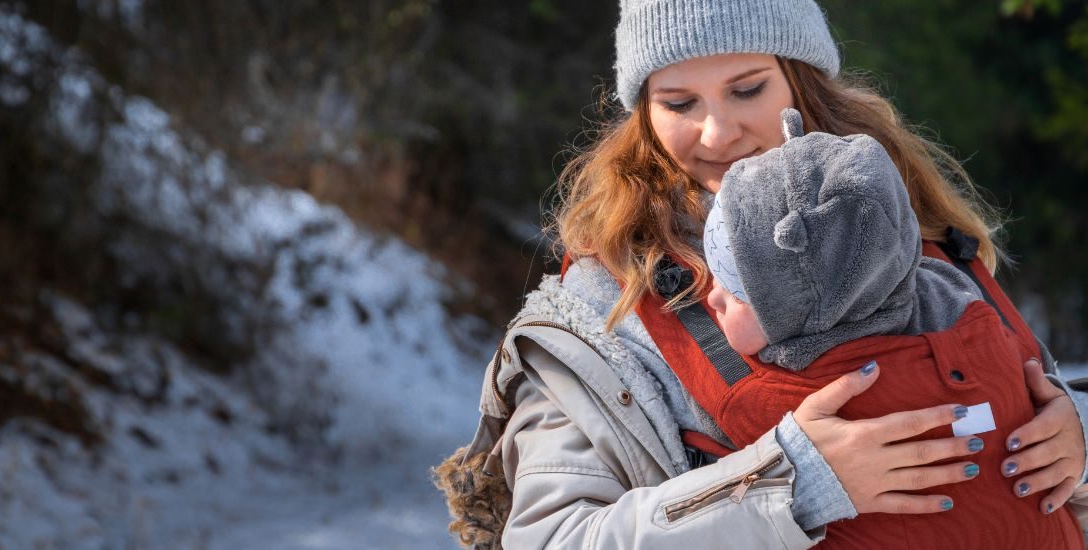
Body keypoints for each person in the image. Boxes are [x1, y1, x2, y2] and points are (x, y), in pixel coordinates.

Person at [434, 0, 1088, 547]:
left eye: (747, 89)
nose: (717, 133)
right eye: (679, 102)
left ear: (803, 86)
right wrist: (791, 481)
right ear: (644, 115)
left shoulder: (914, 230)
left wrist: (1073, 435)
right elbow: (552, 538)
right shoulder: (605, 306)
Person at [696, 107, 1083, 547]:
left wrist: (1079, 426)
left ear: (805, 300)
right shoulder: (964, 306)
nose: (711, 299)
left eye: (739, 292)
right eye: (680, 101)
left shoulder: (760, 403)